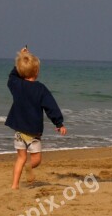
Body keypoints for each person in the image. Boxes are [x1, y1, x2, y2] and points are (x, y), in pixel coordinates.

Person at [5, 47, 67, 189]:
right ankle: (27, 169)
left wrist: (21, 57)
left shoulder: (17, 85)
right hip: (33, 132)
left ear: (20, 72)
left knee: (20, 158)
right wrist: (59, 123)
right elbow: (51, 106)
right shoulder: (40, 89)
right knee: (36, 159)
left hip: (19, 130)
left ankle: (15, 185)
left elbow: (11, 77)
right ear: (37, 72)